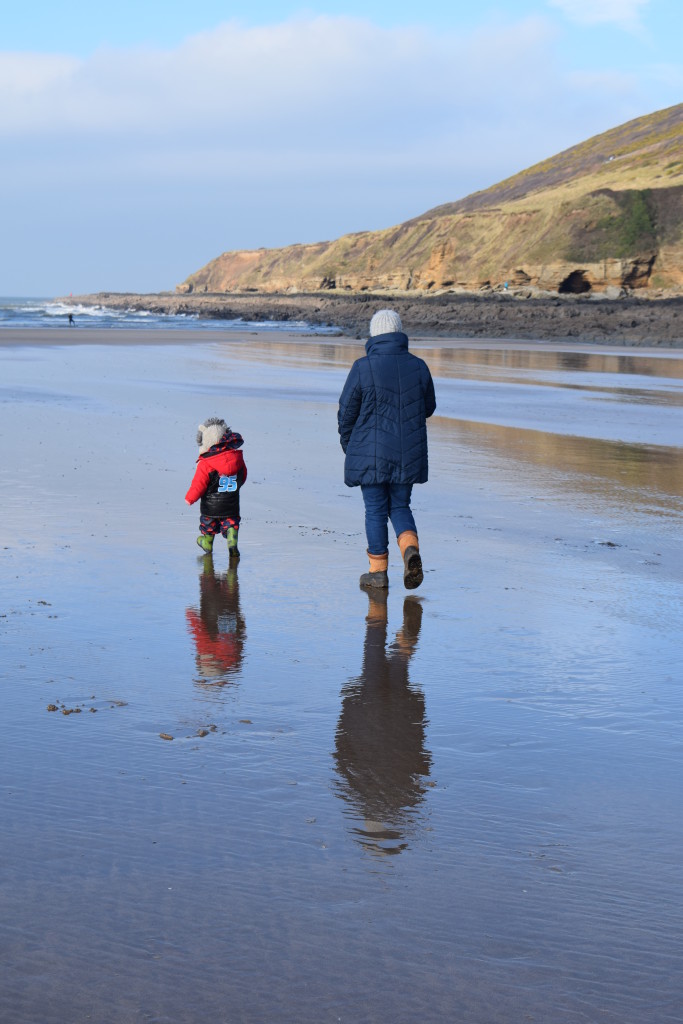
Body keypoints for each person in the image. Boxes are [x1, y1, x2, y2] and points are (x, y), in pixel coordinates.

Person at [338, 309, 436, 589]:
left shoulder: (362, 367)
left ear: (374, 336)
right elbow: (428, 407)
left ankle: (378, 572)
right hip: (407, 454)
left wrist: (350, 445)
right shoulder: (419, 366)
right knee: (401, 506)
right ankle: (410, 550)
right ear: (399, 333)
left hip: (369, 454)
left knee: (375, 511)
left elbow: (346, 413)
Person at [185, 417, 247, 558]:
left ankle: (207, 543)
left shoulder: (206, 463)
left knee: (209, 526)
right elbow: (243, 476)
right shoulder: (237, 459)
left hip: (210, 508)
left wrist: (190, 498)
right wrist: (234, 487)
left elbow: (198, 483)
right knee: (231, 524)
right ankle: (232, 541)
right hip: (231, 505)